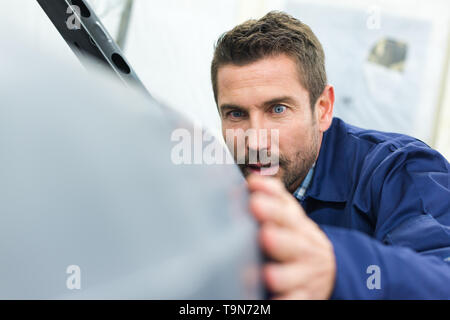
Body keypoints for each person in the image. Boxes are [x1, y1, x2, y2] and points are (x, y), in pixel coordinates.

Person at [210, 11, 450, 299]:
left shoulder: (400, 169)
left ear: (322, 108)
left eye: (277, 109)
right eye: (236, 114)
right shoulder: (213, 187)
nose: (255, 140)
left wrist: (339, 268)